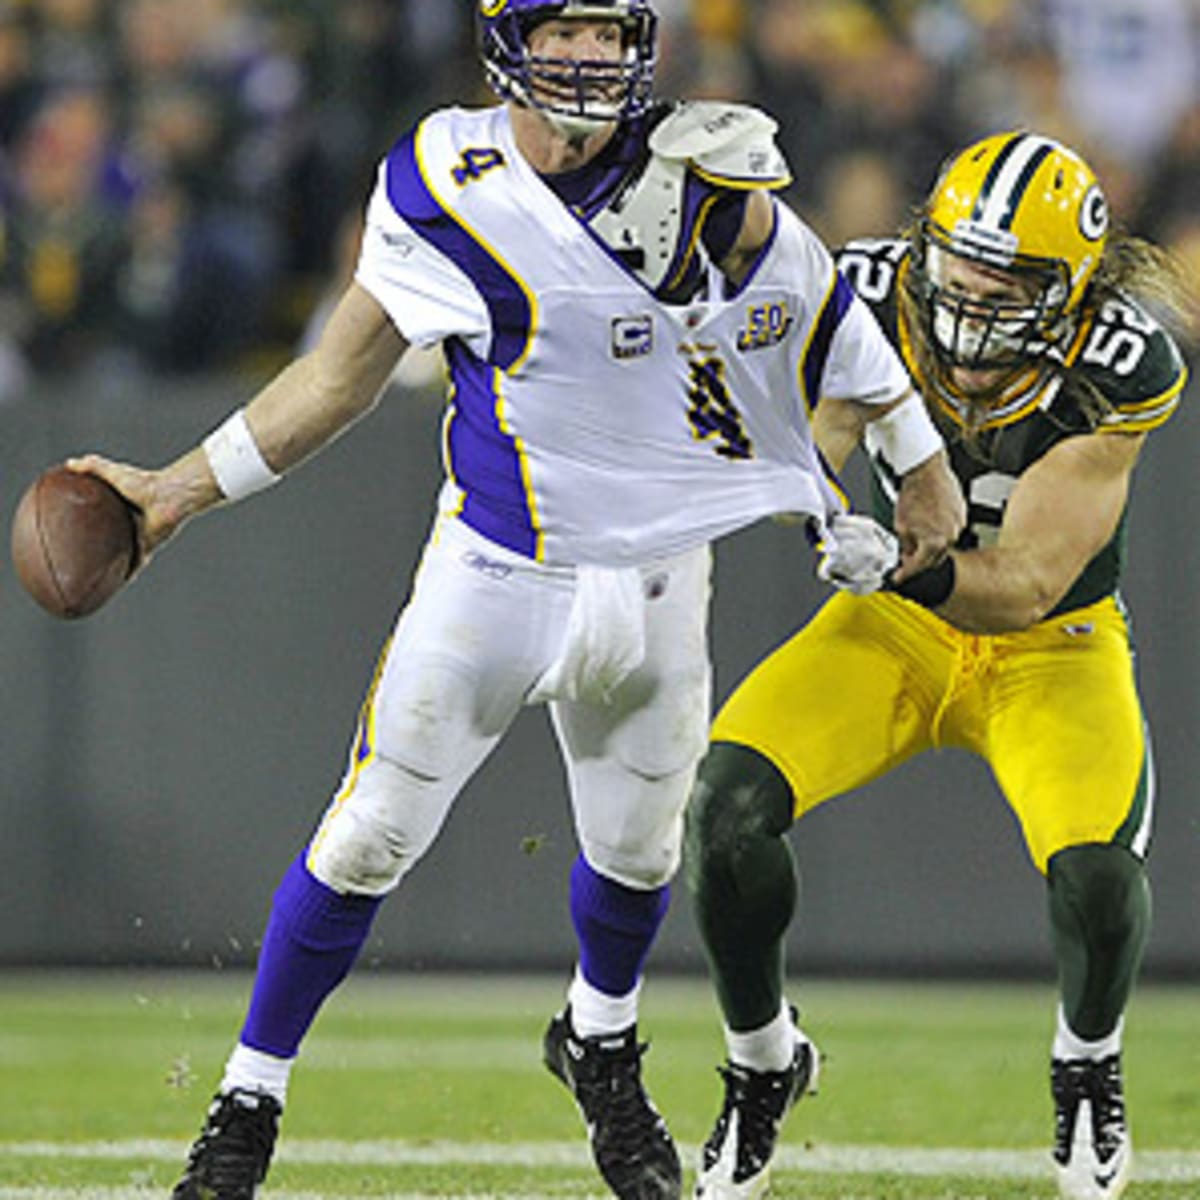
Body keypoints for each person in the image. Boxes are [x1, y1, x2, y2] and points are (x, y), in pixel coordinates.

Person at [70, 2, 964, 1197]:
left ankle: (599, 1045)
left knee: (640, 854)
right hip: (499, 572)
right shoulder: (445, 176)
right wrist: (175, 493)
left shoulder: (710, 174)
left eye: (612, 33)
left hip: (656, 581)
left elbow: (828, 326)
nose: (594, 58)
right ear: (508, 40)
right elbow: (339, 372)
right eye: (567, 31)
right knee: (369, 833)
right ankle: (246, 1105)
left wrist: (918, 463)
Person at [684, 129, 1192, 1200]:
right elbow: (811, 445)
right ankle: (763, 1059)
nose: (972, 297)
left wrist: (899, 566)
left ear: (1075, 292)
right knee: (725, 809)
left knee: (1098, 878)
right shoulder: (870, 290)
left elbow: (1026, 582)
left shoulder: (1121, 365)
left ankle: (1087, 1063)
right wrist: (815, 506)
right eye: (961, 263)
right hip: (893, 634)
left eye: (1009, 281)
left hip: (1049, 645)